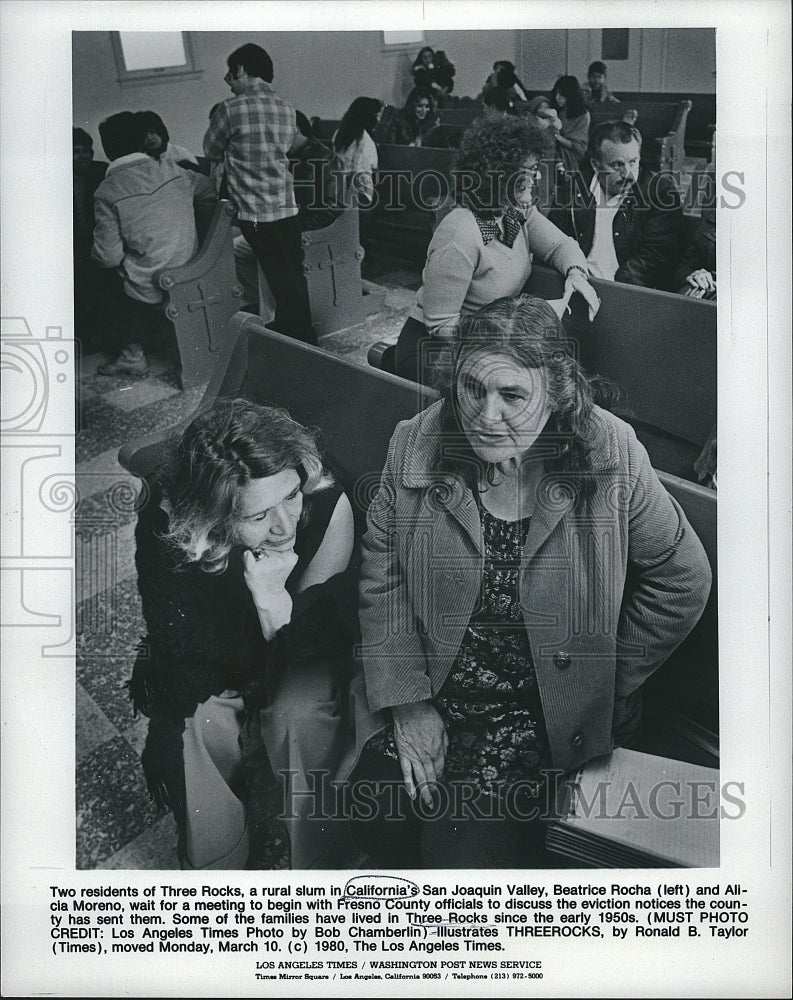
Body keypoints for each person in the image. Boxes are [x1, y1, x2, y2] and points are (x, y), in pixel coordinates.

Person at [356, 294, 712, 868]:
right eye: (472, 388)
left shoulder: (608, 451)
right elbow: (385, 571)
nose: (484, 415)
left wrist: (606, 678)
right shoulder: (416, 441)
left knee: (461, 859)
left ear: (557, 391)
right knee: (370, 803)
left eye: (512, 395)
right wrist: (409, 701)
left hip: (545, 708)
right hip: (442, 687)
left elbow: (682, 579)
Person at [129, 398, 359, 870]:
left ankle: (318, 868)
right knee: (197, 720)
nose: (285, 525)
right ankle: (218, 870)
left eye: (291, 497)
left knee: (301, 714)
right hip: (220, 653)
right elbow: (182, 649)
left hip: (302, 646)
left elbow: (320, 645)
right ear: (213, 517)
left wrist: (273, 602)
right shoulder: (168, 519)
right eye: (257, 517)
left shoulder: (328, 503)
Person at [393, 114, 600, 384]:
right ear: (498, 175)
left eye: (536, 166)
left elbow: (562, 245)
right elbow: (440, 326)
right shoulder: (460, 230)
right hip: (437, 352)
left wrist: (575, 274)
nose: (537, 176)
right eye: (529, 169)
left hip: (489, 343)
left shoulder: (515, 212)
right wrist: (509, 331)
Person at [203, 43, 316, 344]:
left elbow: (210, 149)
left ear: (241, 70)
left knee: (279, 279)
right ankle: (299, 335)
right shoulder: (286, 108)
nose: (228, 82)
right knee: (290, 276)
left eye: (230, 74)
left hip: (255, 212)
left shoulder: (230, 109)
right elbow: (290, 147)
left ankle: (299, 341)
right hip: (286, 206)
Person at [91, 112, 216, 376]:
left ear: (108, 149)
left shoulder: (106, 191)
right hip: (193, 265)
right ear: (141, 143)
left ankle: (132, 356)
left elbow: (107, 257)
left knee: (100, 276)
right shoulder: (176, 171)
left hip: (151, 282)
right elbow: (210, 192)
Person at [549, 120, 683, 290]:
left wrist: (620, 287)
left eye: (633, 162)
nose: (627, 173)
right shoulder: (573, 190)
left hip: (634, 293)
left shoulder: (661, 192)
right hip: (579, 286)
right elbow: (555, 243)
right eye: (616, 165)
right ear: (595, 164)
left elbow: (659, 255)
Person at [72, 127, 108, 351]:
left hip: (99, 242)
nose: (84, 156)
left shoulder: (101, 172)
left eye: (87, 150)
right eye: (76, 151)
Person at [326, 97, 382, 208]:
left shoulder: (339, 133)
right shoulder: (367, 139)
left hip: (336, 187)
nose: (379, 120)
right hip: (358, 191)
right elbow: (373, 167)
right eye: (377, 115)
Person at [550, 75, 590, 176]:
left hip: (571, 153)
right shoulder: (559, 111)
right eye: (556, 94)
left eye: (561, 95)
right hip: (556, 148)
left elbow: (579, 147)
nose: (557, 97)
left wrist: (556, 137)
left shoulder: (583, 115)